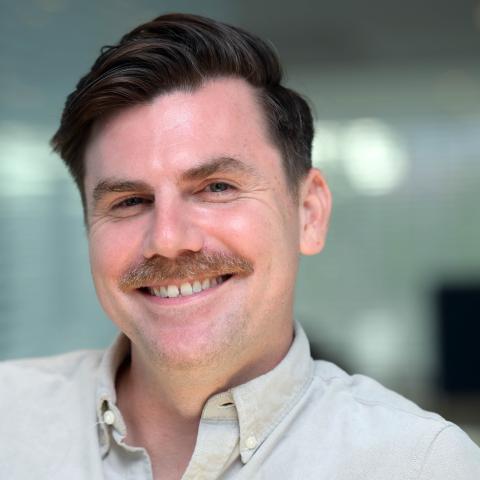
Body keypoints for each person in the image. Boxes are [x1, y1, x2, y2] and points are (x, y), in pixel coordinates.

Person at [1, 13, 479, 480]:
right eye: (130, 200)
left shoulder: (420, 464)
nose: (168, 240)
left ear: (309, 213)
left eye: (216, 188)